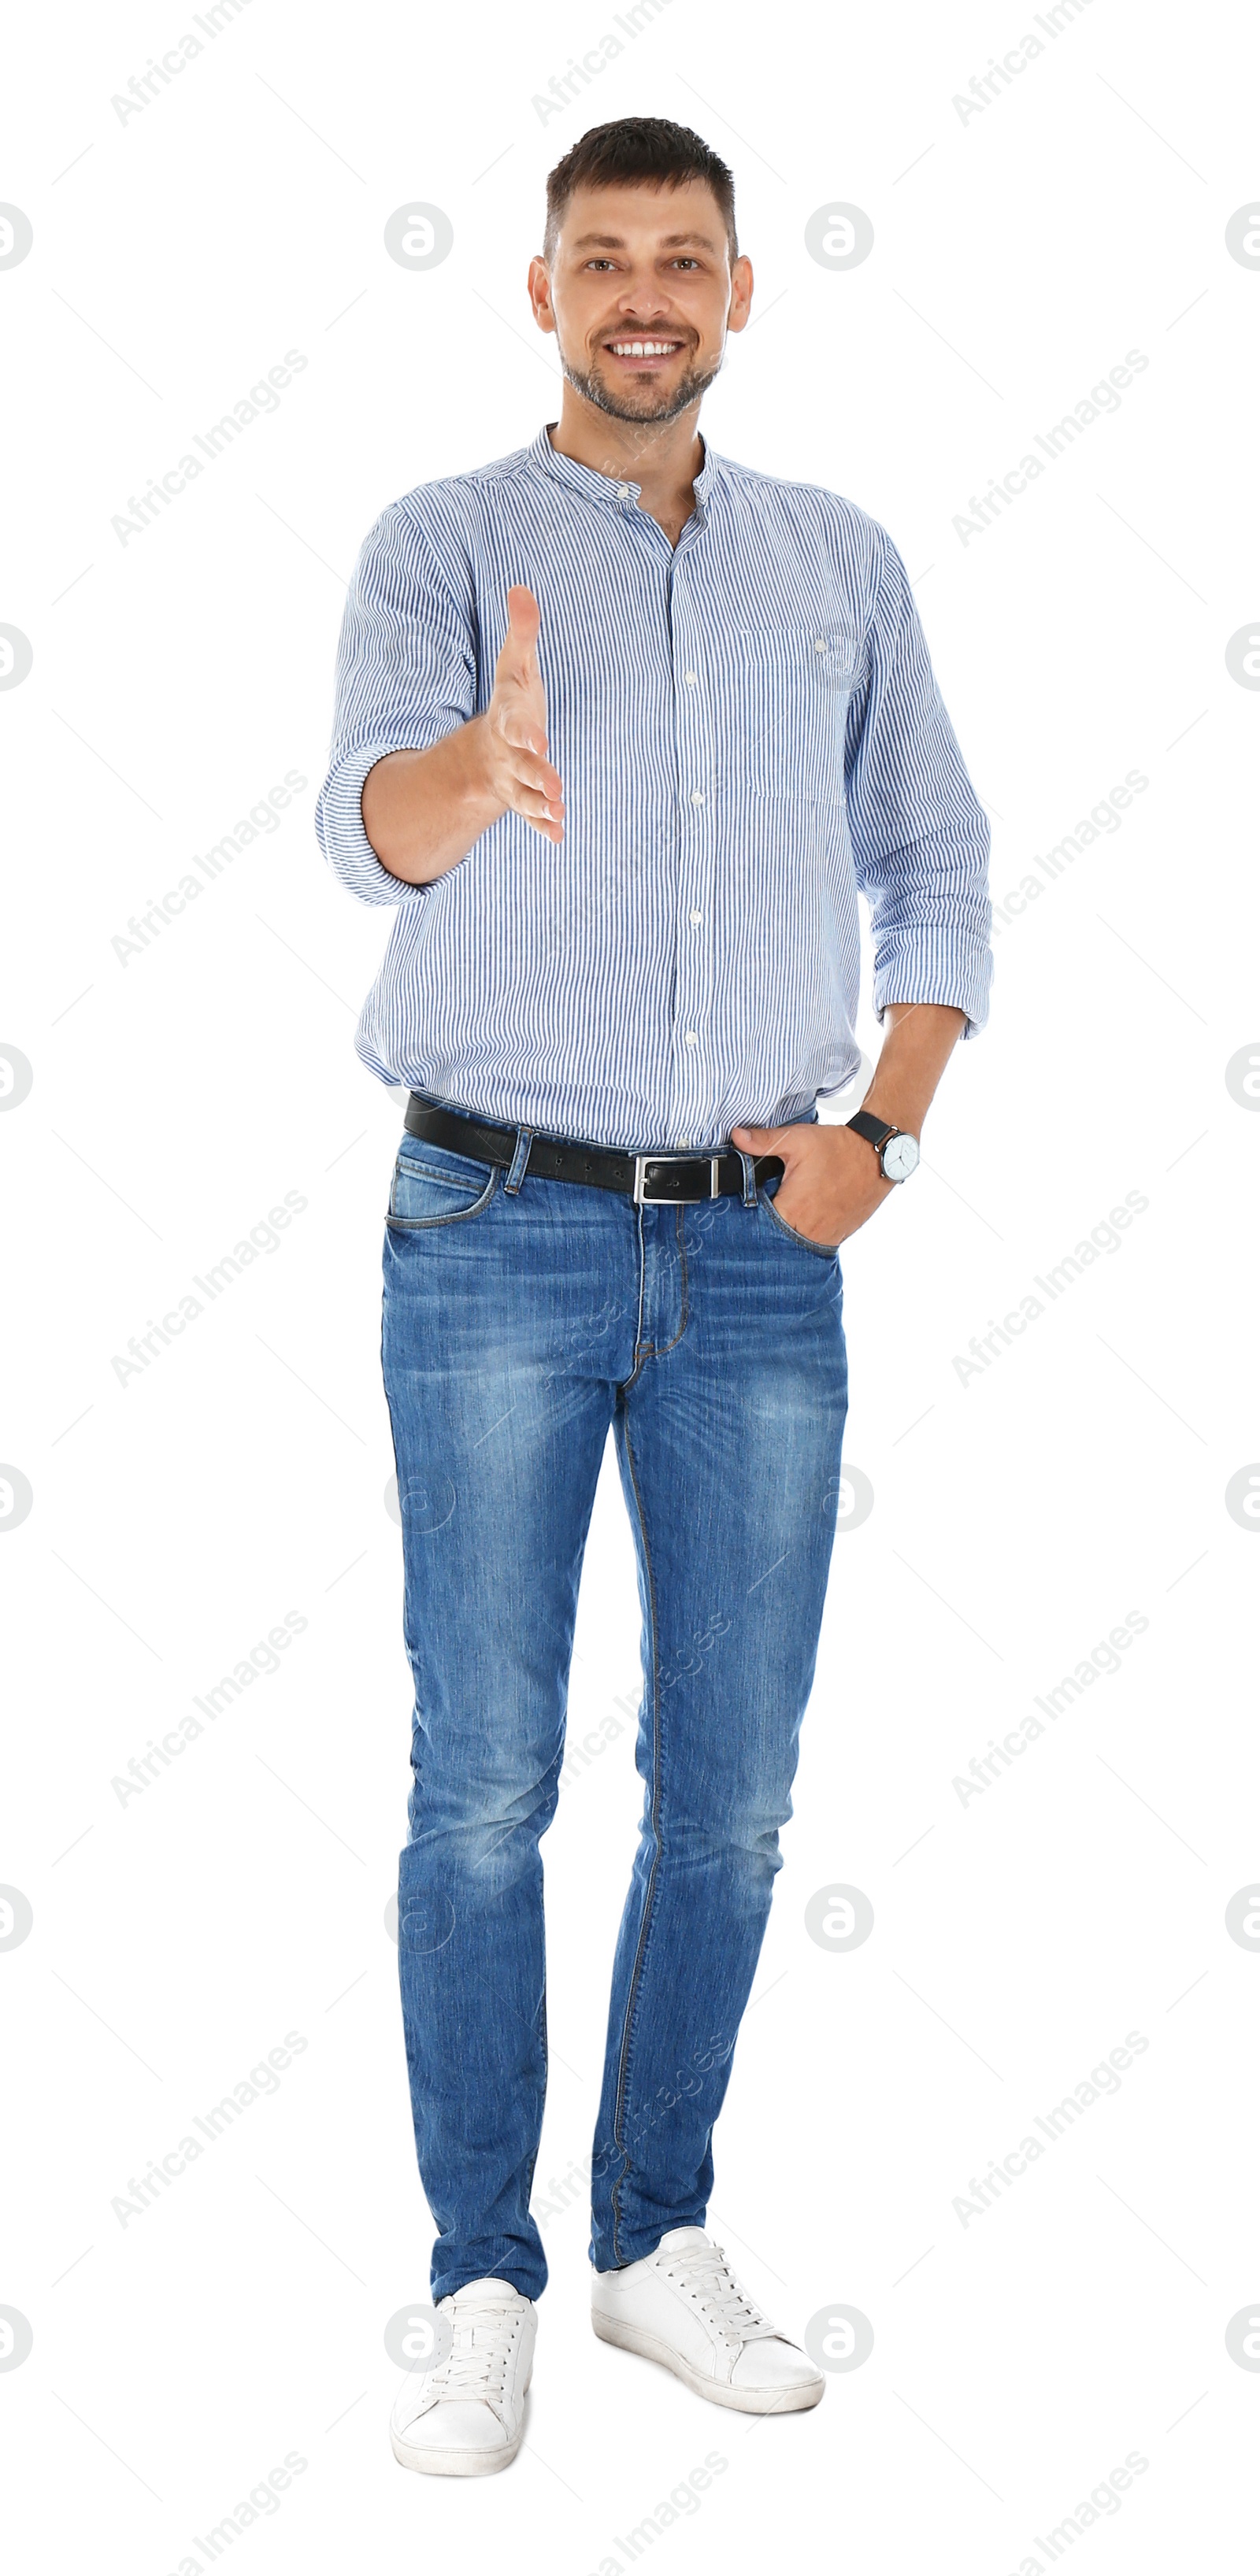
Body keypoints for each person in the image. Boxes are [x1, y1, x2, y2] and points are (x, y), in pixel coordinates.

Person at [316, 114, 991, 2478]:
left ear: (733, 297)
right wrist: (473, 774)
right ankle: (479, 2275)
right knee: (480, 1783)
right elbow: (359, 833)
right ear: (538, 293)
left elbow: (939, 864)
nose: (643, 293)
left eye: (682, 260)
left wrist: (878, 1138)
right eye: (601, 257)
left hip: (756, 1245)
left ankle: (648, 2240)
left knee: (728, 1793)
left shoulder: (837, 564)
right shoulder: (443, 546)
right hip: (489, 1223)